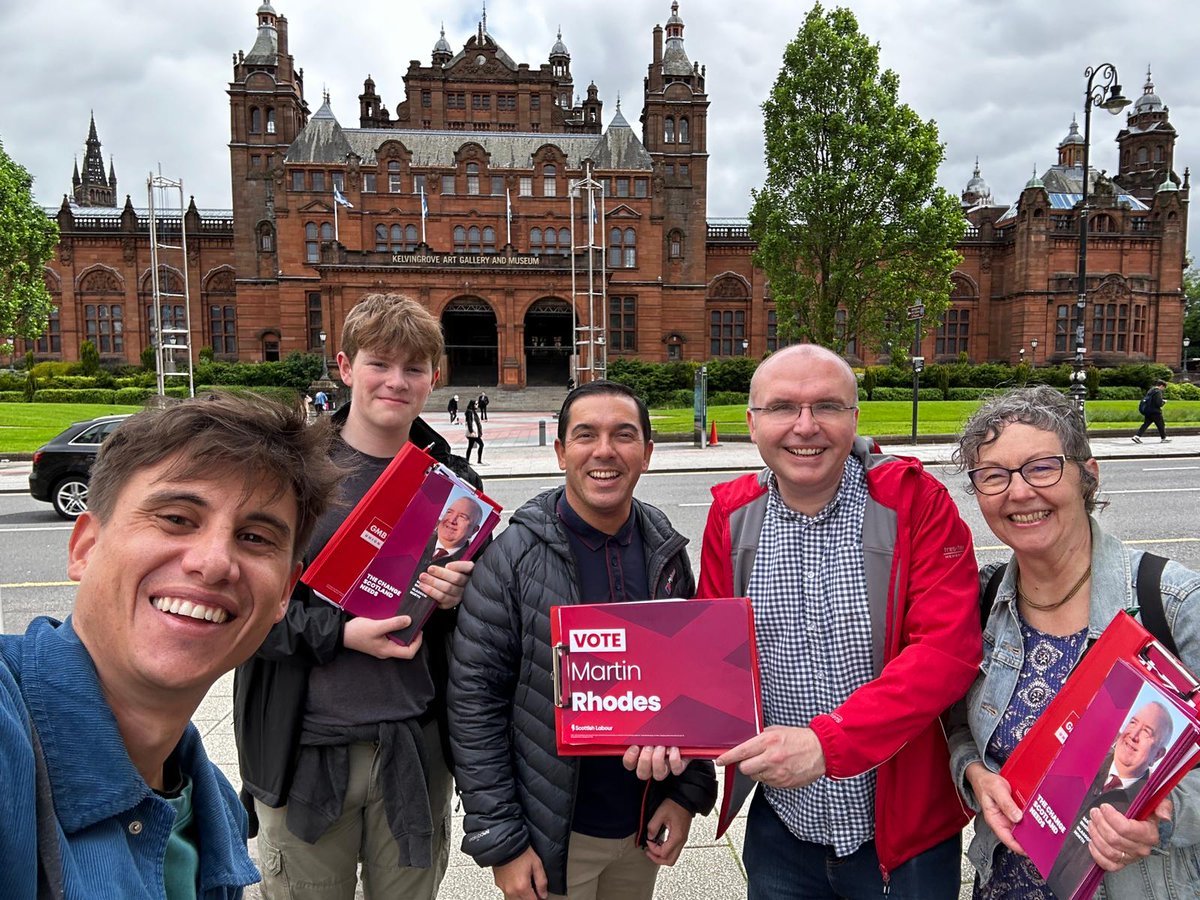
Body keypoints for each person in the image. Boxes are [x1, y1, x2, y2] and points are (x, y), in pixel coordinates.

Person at [0, 392, 341, 897]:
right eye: (177, 518)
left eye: (254, 538)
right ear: (85, 547)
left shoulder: (214, 811)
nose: (213, 562)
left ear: (283, 596)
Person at [698, 344, 982, 900]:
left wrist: (829, 744)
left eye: (826, 406)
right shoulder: (729, 518)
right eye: (783, 408)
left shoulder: (916, 503)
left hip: (903, 836)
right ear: (752, 424)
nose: (805, 427)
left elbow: (945, 652)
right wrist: (666, 737)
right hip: (784, 827)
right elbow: (714, 663)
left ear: (854, 419)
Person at [234, 293, 482, 900]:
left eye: (415, 368)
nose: (396, 382)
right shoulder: (287, 473)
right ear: (345, 367)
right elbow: (239, 613)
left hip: (414, 749)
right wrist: (340, 633)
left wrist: (459, 600)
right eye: (380, 363)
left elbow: (478, 634)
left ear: (433, 378)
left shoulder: (454, 486)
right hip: (305, 748)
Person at [449, 380, 717, 900]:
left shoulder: (665, 548)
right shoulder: (512, 558)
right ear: (560, 451)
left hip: (642, 826)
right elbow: (473, 704)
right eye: (585, 435)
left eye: (623, 435)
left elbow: (692, 684)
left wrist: (685, 796)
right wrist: (501, 842)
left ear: (647, 453)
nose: (604, 451)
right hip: (553, 836)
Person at [948, 384, 1200, 899]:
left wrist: (1163, 818)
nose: (1019, 493)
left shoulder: (1173, 605)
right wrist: (974, 773)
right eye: (993, 476)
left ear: (1088, 474)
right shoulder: (982, 600)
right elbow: (954, 720)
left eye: (1042, 467)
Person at [1047, 702, 1175, 893]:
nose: (1133, 735)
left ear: (1158, 755)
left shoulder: (1144, 803)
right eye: (1133, 723)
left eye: (1147, 732)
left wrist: (1163, 807)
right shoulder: (1085, 759)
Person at [1133, 378, 1169, 443]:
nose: (1163, 389)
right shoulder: (1158, 392)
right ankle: (1163, 438)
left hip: (1148, 410)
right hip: (1155, 411)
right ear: (1161, 386)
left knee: (1146, 424)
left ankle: (1137, 436)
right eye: (1164, 388)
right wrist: (1163, 402)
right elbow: (1158, 403)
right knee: (1161, 424)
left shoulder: (1151, 390)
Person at [464, 398, 484, 465]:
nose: (477, 405)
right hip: (473, 433)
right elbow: (469, 422)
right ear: (472, 404)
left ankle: (467, 461)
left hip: (474, 432)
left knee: (470, 446)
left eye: (477, 404)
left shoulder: (473, 411)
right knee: (481, 444)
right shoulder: (470, 412)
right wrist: (471, 431)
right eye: (476, 404)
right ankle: (479, 460)